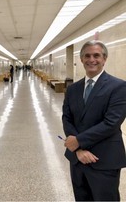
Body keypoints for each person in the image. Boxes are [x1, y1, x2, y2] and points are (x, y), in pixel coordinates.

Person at [62, 40, 126, 201]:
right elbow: (67, 118)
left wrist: (78, 141)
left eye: (96, 55)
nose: (92, 60)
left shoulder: (118, 87)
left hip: (103, 159)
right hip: (77, 159)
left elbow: (111, 123)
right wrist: (78, 150)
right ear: (81, 59)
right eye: (87, 56)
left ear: (104, 59)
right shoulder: (72, 89)